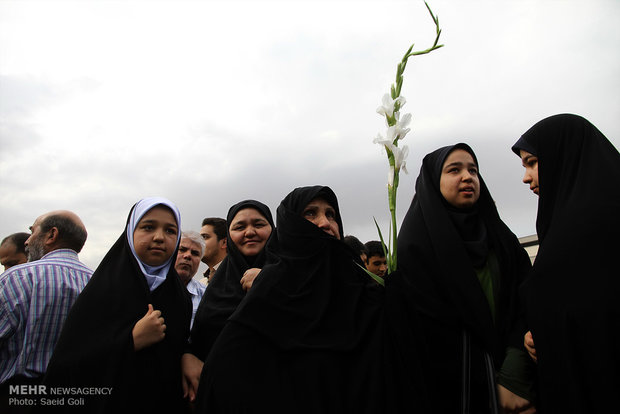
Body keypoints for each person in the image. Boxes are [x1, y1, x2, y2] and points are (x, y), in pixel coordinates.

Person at [195, 186, 387, 414]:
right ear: (289, 227)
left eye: (331, 214)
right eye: (310, 214)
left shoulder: (366, 292)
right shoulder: (265, 300)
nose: (325, 223)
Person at [395, 143, 536, 413]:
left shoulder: (500, 239)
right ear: (432, 181)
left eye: (473, 170)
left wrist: (514, 376)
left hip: (518, 385)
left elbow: (525, 299)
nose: (467, 177)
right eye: (454, 170)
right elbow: (430, 333)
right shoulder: (416, 247)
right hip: (454, 391)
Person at [512, 113, 620, 413]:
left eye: (532, 162)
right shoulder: (567, 222)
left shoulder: (591, 228)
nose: (526, 177)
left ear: (564, 154)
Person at [42, 197, 192, 413]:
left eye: (170, 231)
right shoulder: (102, 291)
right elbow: (66, 368)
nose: (159, 237)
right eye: (148, 227)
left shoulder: (179, 298)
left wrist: (188, 354)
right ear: (130, 233)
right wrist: (130, 341)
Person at [182, 201, 274, 403]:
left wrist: (271, 282)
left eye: (258, 224)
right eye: (240, 227)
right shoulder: (217, 289)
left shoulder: (290, 280)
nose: (250, 232)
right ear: (230, 238)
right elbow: (200, 339)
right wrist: (187, 355)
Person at [0, 212, 92, 412]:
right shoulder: (98, 283)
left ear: (52, 235)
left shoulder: (15, 278)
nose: (27, 241)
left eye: (32, 232)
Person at [175, 231, 207, 328]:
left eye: (195, 253)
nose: (188, 255)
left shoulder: (206, 296)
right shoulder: (152, 287)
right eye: (182, 249)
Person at [198, 217, 227, 285]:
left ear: (224, 243)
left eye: (205, 237)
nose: (199, 243)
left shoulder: (239, 276)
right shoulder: (201, 283)